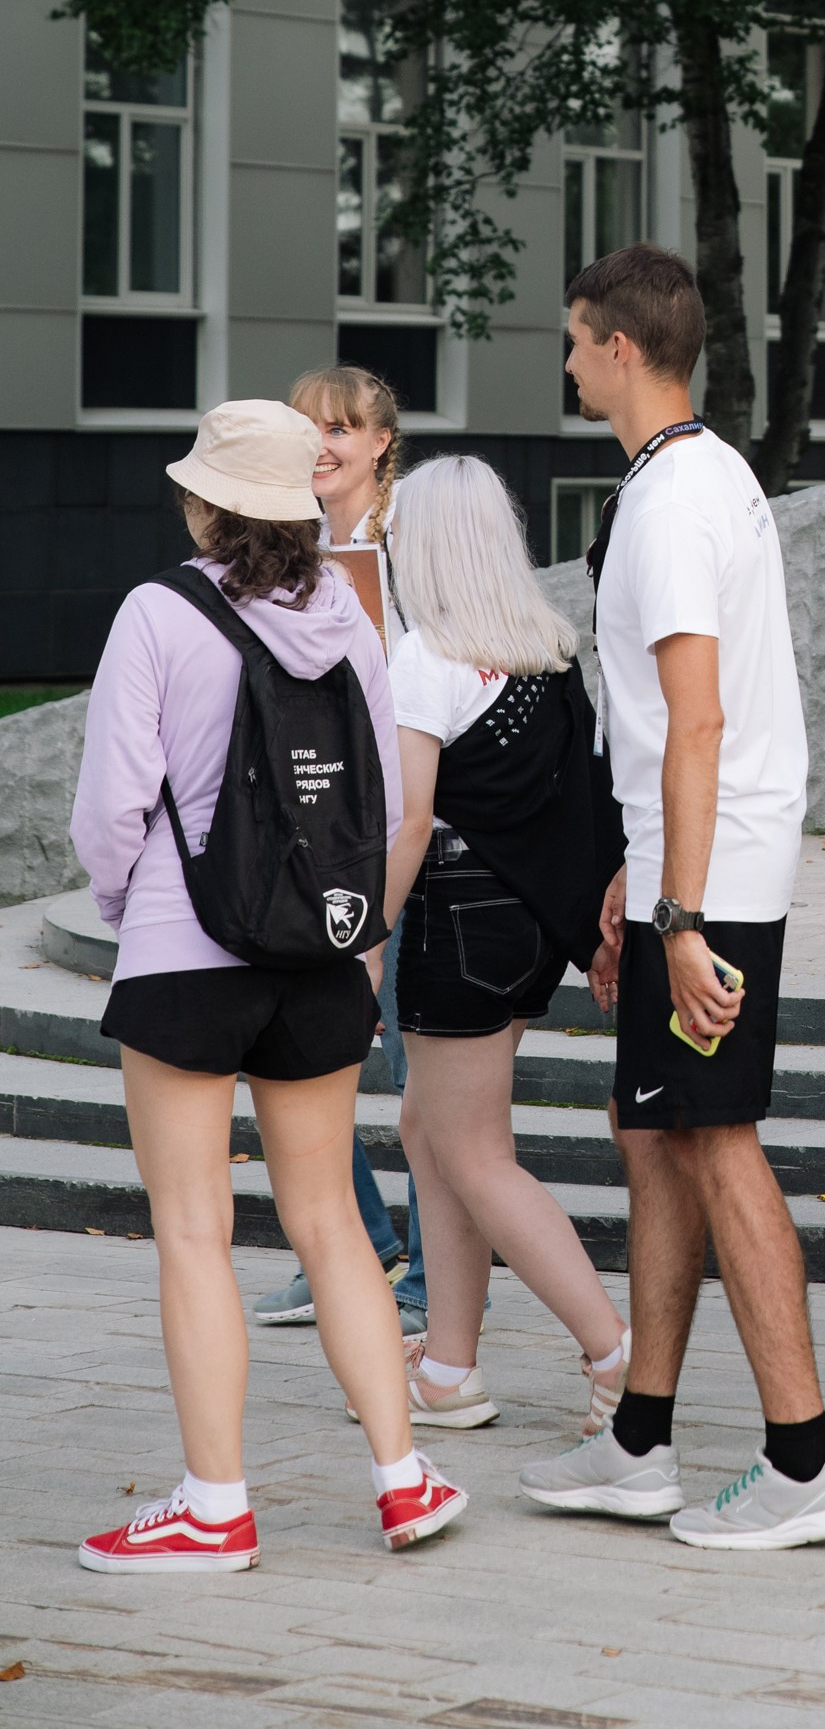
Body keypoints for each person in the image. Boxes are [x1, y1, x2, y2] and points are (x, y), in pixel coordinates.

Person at [70, 398, 466, 1566]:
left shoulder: (157, 610)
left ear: (207, 503)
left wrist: (123, 910)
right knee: (332, 1217)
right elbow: (384, 801)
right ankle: (403, 1476)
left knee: (193, 1227)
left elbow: (111, 807)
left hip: (185, 949)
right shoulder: (348, 617)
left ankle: (214, 1502)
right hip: (318, 954)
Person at [519, 242, 825, 1552]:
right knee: (650, 1127)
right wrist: (636, 865)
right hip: (697, 862)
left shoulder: (668, 504)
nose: (562, 360)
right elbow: (677, 735)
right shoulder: (710, 472)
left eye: (571, 337)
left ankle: (805, 1461)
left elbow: (700, 719)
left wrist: (679, 914)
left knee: (715, 1139)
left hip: (713, 882)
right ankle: (639, 1440)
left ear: (619, 347)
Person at [377, 454, 630, 1435]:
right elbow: (580, 809)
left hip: (456, 917)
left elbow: (407, 823)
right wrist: (589, 932)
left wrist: (365, 942)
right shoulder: (551, 650)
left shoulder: (426, 657)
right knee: (428, 1128)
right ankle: (448, 1365)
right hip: (527, 930)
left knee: (474, 1151)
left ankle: (616, 1355)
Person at [255, 364, 426, 1338]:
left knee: (416, 1070)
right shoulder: (281, 546)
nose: (321, 440)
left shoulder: (405, 547)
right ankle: (352, 1245)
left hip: (405, 829)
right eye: (307, 424)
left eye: (340, 425)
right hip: (306, 838)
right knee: (297, 1054)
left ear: (379, 442)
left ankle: (429, 1283)